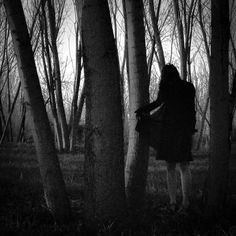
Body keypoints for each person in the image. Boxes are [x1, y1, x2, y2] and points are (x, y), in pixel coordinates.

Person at [135, 64, 196, 212]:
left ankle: (173, 202)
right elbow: (191, 109)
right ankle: (185, 203)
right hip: (183, 130)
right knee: (184, 166)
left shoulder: (166, 88)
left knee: (171, 167)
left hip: (169, 131)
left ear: (165, 76)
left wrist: (141, 110)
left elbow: (157, 103)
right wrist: (191, 128)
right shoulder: (188, 86)